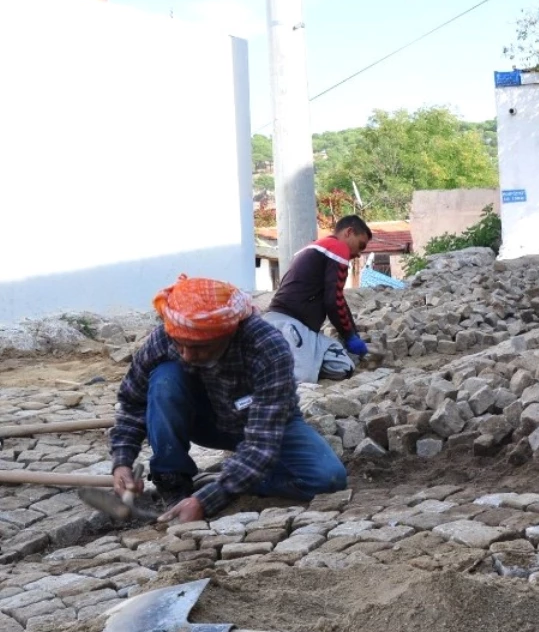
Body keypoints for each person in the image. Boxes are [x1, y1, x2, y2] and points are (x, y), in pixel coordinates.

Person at [110, 276, 348, 524]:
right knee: (165, 379)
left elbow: (261, 445)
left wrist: (206, 500)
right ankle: (173, 483)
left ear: (229, 334)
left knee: (327, 479)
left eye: (200, 347)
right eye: (181, 345)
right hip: (205, 422)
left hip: (264, 426)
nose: (188, 355)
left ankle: (218, 483)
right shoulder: (166, 336)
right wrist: (122, 462)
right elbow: (132, 402)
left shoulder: (267, 346)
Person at [264, 215, 373, 383]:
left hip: (299, 327)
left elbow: (338, 299)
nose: (358, 254)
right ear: (349, 232)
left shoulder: (316, 248)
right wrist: (349, 336)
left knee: (343, 366)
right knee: (302, 378)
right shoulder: (337, 247)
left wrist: (352, 334)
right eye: (361, 246)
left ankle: (288, 358)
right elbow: (333, 301)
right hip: (289, 324)